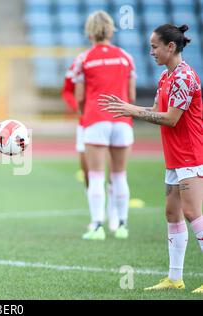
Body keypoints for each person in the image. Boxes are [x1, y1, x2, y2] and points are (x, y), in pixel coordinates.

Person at [99, 24, 203, 293]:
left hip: (192, 154)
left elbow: (170, 119)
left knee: (193, 213)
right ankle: (175, 278)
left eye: (155, 46)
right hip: (174, 158)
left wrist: (131, 109)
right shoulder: (165, 77)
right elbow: (157, 111)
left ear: (171, 47)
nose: (151, 51)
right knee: (172, 213)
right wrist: (130, 110)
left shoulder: (184, 78)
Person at [71, 11, 136, 240]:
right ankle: (122, 225)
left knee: (96, 175)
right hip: (121, 120)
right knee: (119, 175)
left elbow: (78, 96)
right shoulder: (126, 56)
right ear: (110, 30)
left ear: (90, 32)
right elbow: (131, 95)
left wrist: (86, 111)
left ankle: (97, 225)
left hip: (95, 119)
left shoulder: (84, 59)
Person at [62, 60, 119, 232]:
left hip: (108, 121)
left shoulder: (117, 60)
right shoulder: (80, 63)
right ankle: (97, 216)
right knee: (88, 173)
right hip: (86, 124)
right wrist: (80, 109)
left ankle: (114, 213)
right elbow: (67, 91)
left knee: (113, 171)